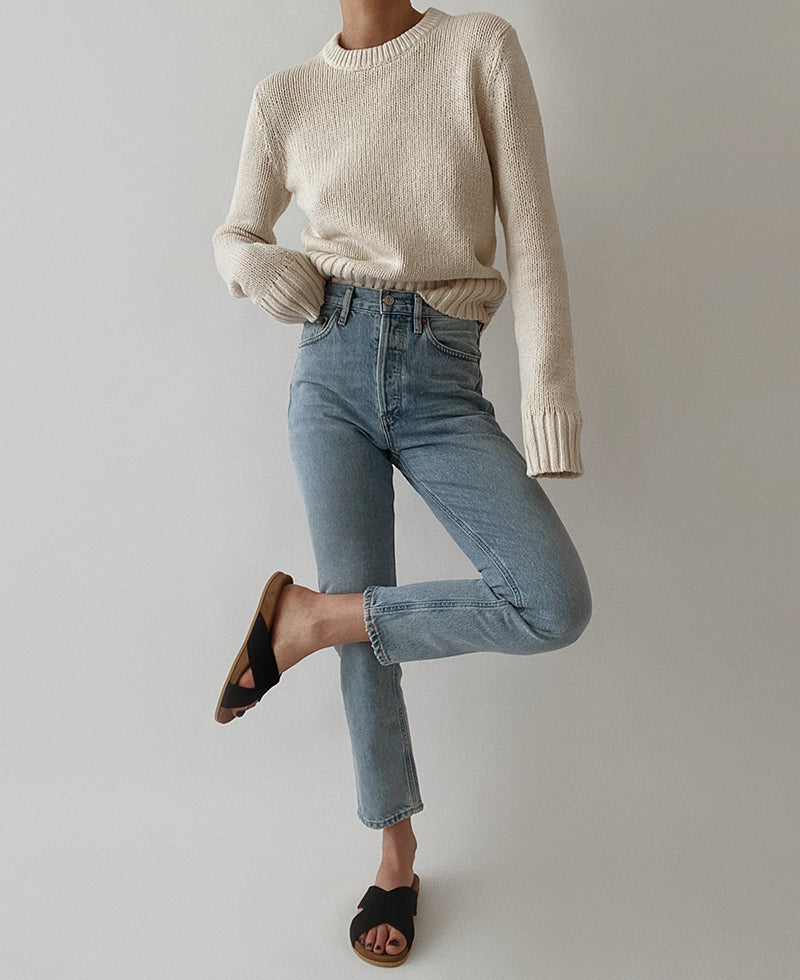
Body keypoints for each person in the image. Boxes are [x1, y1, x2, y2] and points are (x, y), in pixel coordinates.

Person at [211, 1, 592, 966]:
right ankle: (395, 853)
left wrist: (549, 402)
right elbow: (233, 234)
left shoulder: (478, 49)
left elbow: (534, 235)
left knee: (552, 602)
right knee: (363, 616)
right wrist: (261, 267)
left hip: (442, 377)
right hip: (329, 370)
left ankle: (309, 618)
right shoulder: (286, 97)